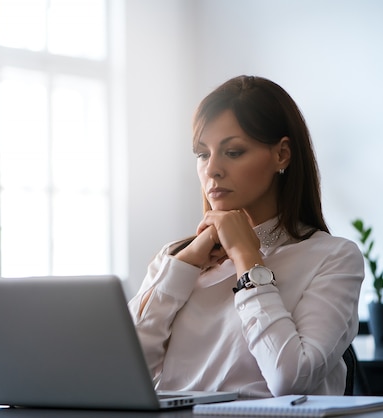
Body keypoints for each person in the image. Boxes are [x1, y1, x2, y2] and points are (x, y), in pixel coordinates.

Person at [128, 75, 364, 399]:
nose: (212, 170)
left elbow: (290, 380)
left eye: (233, 152)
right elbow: (123, 375)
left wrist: (246, 259)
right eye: (202, 154)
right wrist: (181, 266)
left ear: (282, 155)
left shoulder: (333, 258)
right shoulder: (176, 258)